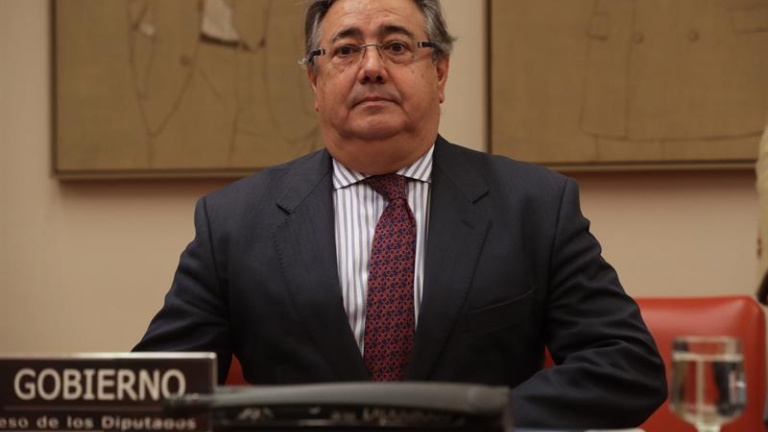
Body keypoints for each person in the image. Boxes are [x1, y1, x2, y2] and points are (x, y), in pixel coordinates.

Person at [135, 0, 667, 428]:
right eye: (346, 50)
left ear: (440, 72)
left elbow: (626, 365)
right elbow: (154, 392)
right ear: (315, 84)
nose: (371, 68)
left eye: (396, 46)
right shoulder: (233, 222)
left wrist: (485, 421)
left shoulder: (535, 205)